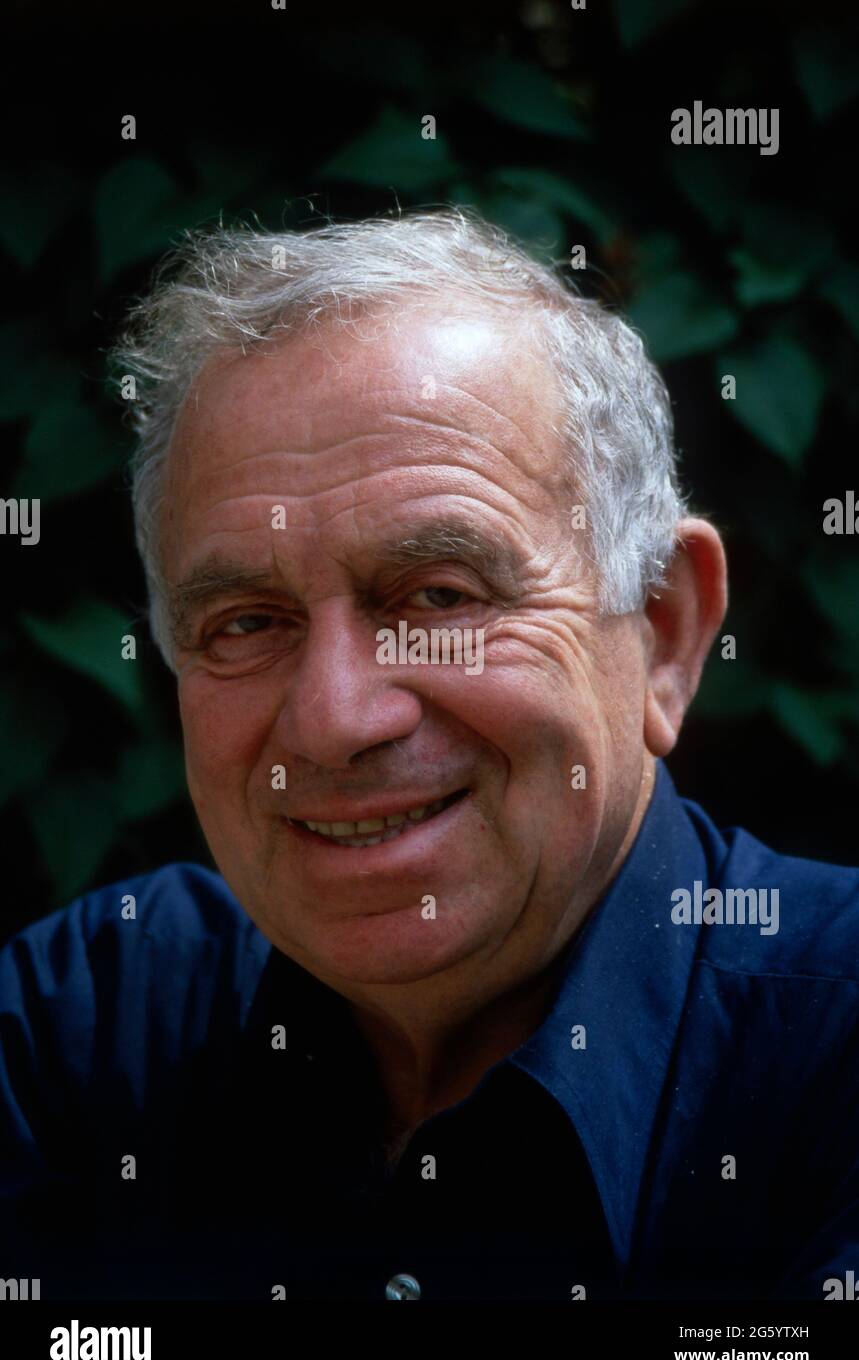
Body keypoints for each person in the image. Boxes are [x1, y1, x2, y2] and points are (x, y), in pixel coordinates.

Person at [2, 210, 856, 1302]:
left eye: (439, 597)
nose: (334, 717)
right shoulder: (82, 1031)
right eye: (247, 622)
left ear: (663, 632)